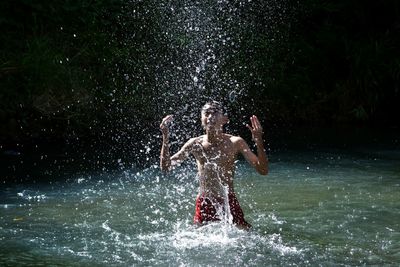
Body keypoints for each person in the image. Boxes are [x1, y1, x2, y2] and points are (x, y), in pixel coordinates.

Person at [160, 101, 268, 229]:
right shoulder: (194, 144)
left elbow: (263, 170)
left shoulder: (235, 142)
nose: (210, 117)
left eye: (215, 113)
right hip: (204, 202)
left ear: (224, 119)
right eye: (207, 113)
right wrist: (165, 136)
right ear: (201, 119)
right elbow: (166, 167)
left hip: (228, 201)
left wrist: (259, 141)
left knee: (245, 235)